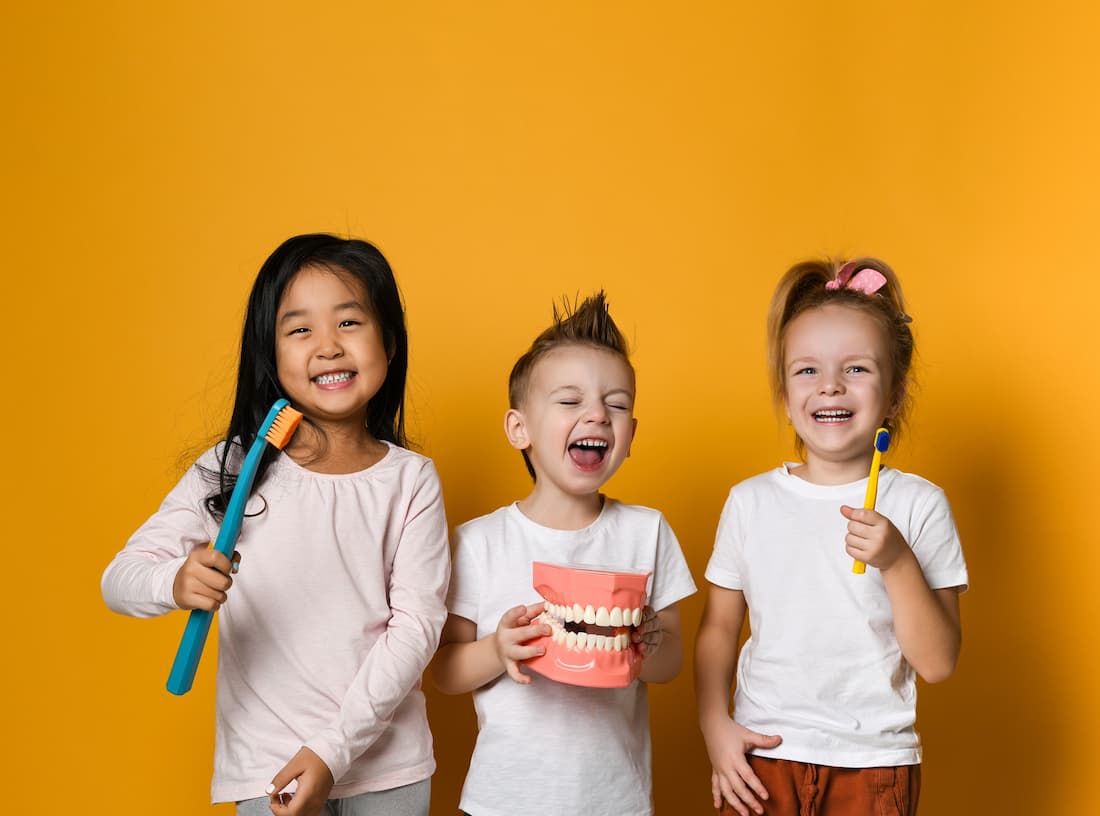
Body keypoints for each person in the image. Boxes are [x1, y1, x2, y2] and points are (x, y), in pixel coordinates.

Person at [101, 234, 450, 816]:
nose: (329, 347)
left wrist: (331, 751)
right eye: (300, 329)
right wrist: (175, 583)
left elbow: (415, 629)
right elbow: (120, 580)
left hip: (388, 769)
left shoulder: (411, 479)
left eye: (350, 322)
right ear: (270, 352)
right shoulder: (231, 467)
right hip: (269, 770)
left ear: (388, 340)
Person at [695, 258, 968, 816]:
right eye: (807, 370)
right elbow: (719, 629)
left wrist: (896, 562)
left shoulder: (919, 505)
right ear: (784, 388)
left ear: (894, 393)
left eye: (858, 369)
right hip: (760, 755)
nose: (831, 386)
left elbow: (937, 662)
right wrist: (714, 727)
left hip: (874, 763)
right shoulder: (750, 502)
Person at [431, 292, 696, 816]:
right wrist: (498, 651)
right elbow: (443, 670)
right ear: (519, 429)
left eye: (616, 404)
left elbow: (671, 664)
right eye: (571, 401)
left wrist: (645, 643)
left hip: (615, 802)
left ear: (630, 436)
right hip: (500, 802)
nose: (597, 414)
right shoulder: (478, 543)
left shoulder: (648, 532)